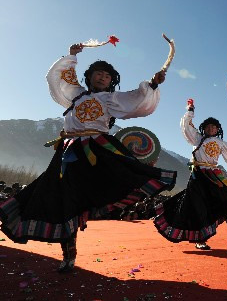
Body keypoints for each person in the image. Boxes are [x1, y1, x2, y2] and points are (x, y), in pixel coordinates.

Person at [0, 42, 177, 273]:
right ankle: (69, 254)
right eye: (98, 73)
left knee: (121, 176)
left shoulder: (111, 99)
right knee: (61, 200)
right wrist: (72, 55)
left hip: (96, 150)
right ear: (90, 77)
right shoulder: (76, 94)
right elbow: (61, 78)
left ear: (111, 80)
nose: (102, 77)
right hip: (67, 153)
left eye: (107, 75)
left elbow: (136, 99)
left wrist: (153, 83)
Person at [154, 99, 227, 250]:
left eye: (214, 126)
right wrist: (190, 111)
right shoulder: (197, 138)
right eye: (208, 126)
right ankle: (200, 239)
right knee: (198, 206)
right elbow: (186, 126)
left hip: (213, 175)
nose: (211, 128)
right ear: (204, 128)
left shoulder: (220, 143)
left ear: (217, 129)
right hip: (198, 175)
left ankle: (214, 220)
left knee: (226, 197)